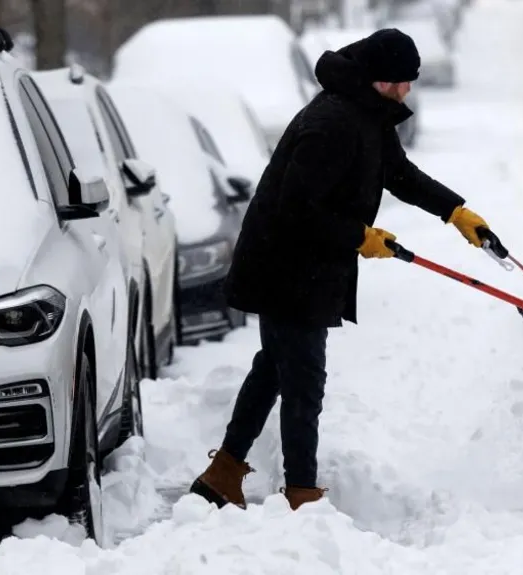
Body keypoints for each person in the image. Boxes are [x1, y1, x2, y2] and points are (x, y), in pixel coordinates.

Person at [188, 28, 491, 511]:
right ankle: (300, 496)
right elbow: (296, 208)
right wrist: (359, 236)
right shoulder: (331, 123)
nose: (407, 89)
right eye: (401, 81)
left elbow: (399, 173)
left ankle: (223, 474)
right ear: (378, 78)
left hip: (304, 266)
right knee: (303, 380)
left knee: (276, 369)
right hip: (284, 266)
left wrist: (455, 212)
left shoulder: (368, 114)